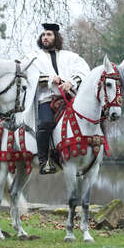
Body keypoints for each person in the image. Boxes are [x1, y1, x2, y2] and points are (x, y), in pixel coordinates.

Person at [21, 23, 90, 174]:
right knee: (45, 123)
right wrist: (50, 79)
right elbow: (26, 75)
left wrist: (71, 82)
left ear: (56, 37)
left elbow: (84, 71)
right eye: (44, 35)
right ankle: (44, 161)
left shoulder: (71, 57)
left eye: (49, 35)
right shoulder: (33, 57)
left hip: (70, 98)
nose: (45, 37)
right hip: (46, 99)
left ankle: (91, 155)